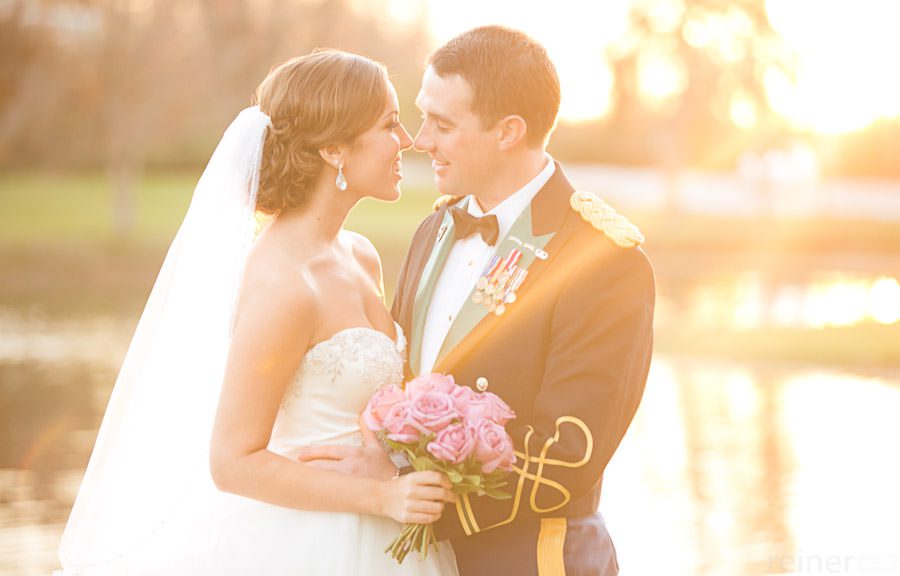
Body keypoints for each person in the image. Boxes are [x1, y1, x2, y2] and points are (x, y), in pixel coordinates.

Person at [56, 50, 458, 576]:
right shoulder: (284, 285)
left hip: (389, 527)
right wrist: (380, 499)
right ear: (335, 147)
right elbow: (232, 462)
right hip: (314, 545)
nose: (406, 140)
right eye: (389, 123)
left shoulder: (359, 253)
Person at [304, 26, 655, 575]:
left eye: (443, 124)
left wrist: (403, 493)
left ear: (508, 131)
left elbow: (566, 457)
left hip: (534, 559)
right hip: (414, 554)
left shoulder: (603, 260)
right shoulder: (436, 227)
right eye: (423, 117)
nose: (420, 140)